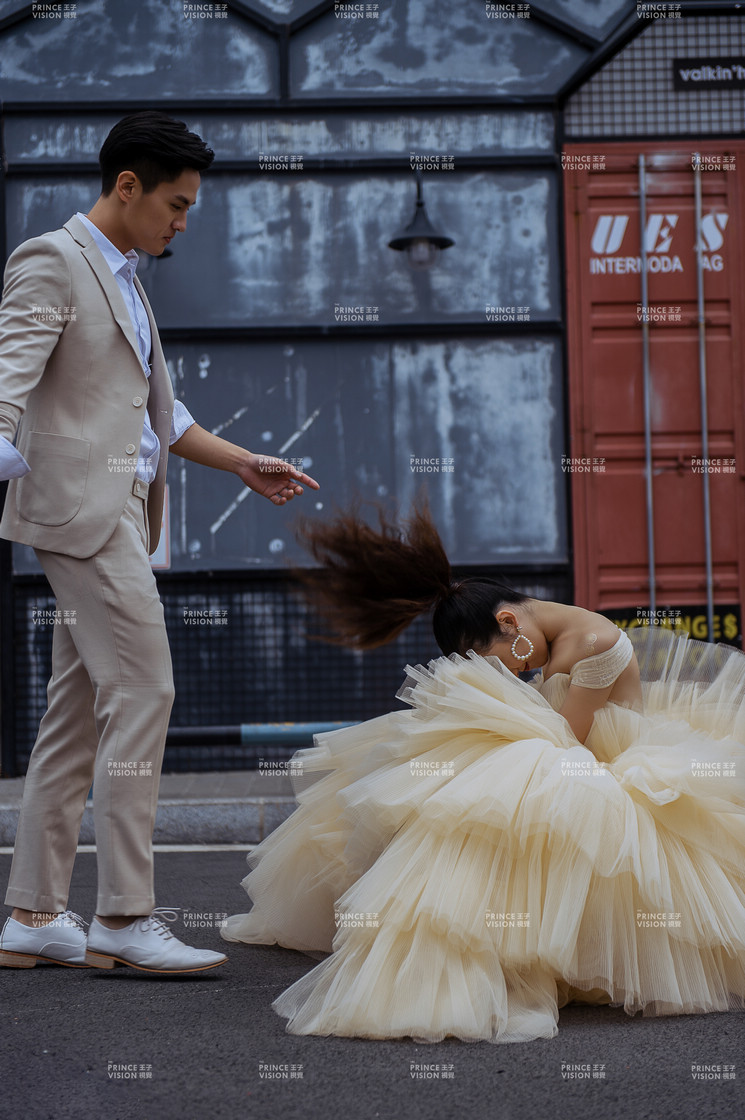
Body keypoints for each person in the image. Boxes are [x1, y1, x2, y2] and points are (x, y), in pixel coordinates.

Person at [222, 505, 745, 1042]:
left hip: (602, 761)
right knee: (433, 768)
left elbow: (568, 741)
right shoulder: (547, 634)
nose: (512, 672)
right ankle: (441, 935)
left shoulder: (594, 643)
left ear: (509, 622)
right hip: (573, 753)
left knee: (495, 786)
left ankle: (478, 945)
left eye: (500, 660)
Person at [0, 111, 319, 974]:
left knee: (74, 716)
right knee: (145, 690)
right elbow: (8, 371)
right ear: (127, 186)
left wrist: (242, 462)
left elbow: (157, 414)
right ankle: (124, 917)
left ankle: (33, 913)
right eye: (175, 204)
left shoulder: (126, 277)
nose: (183, 222)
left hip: (118, 511)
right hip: (84, 514)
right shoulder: (52, 260)